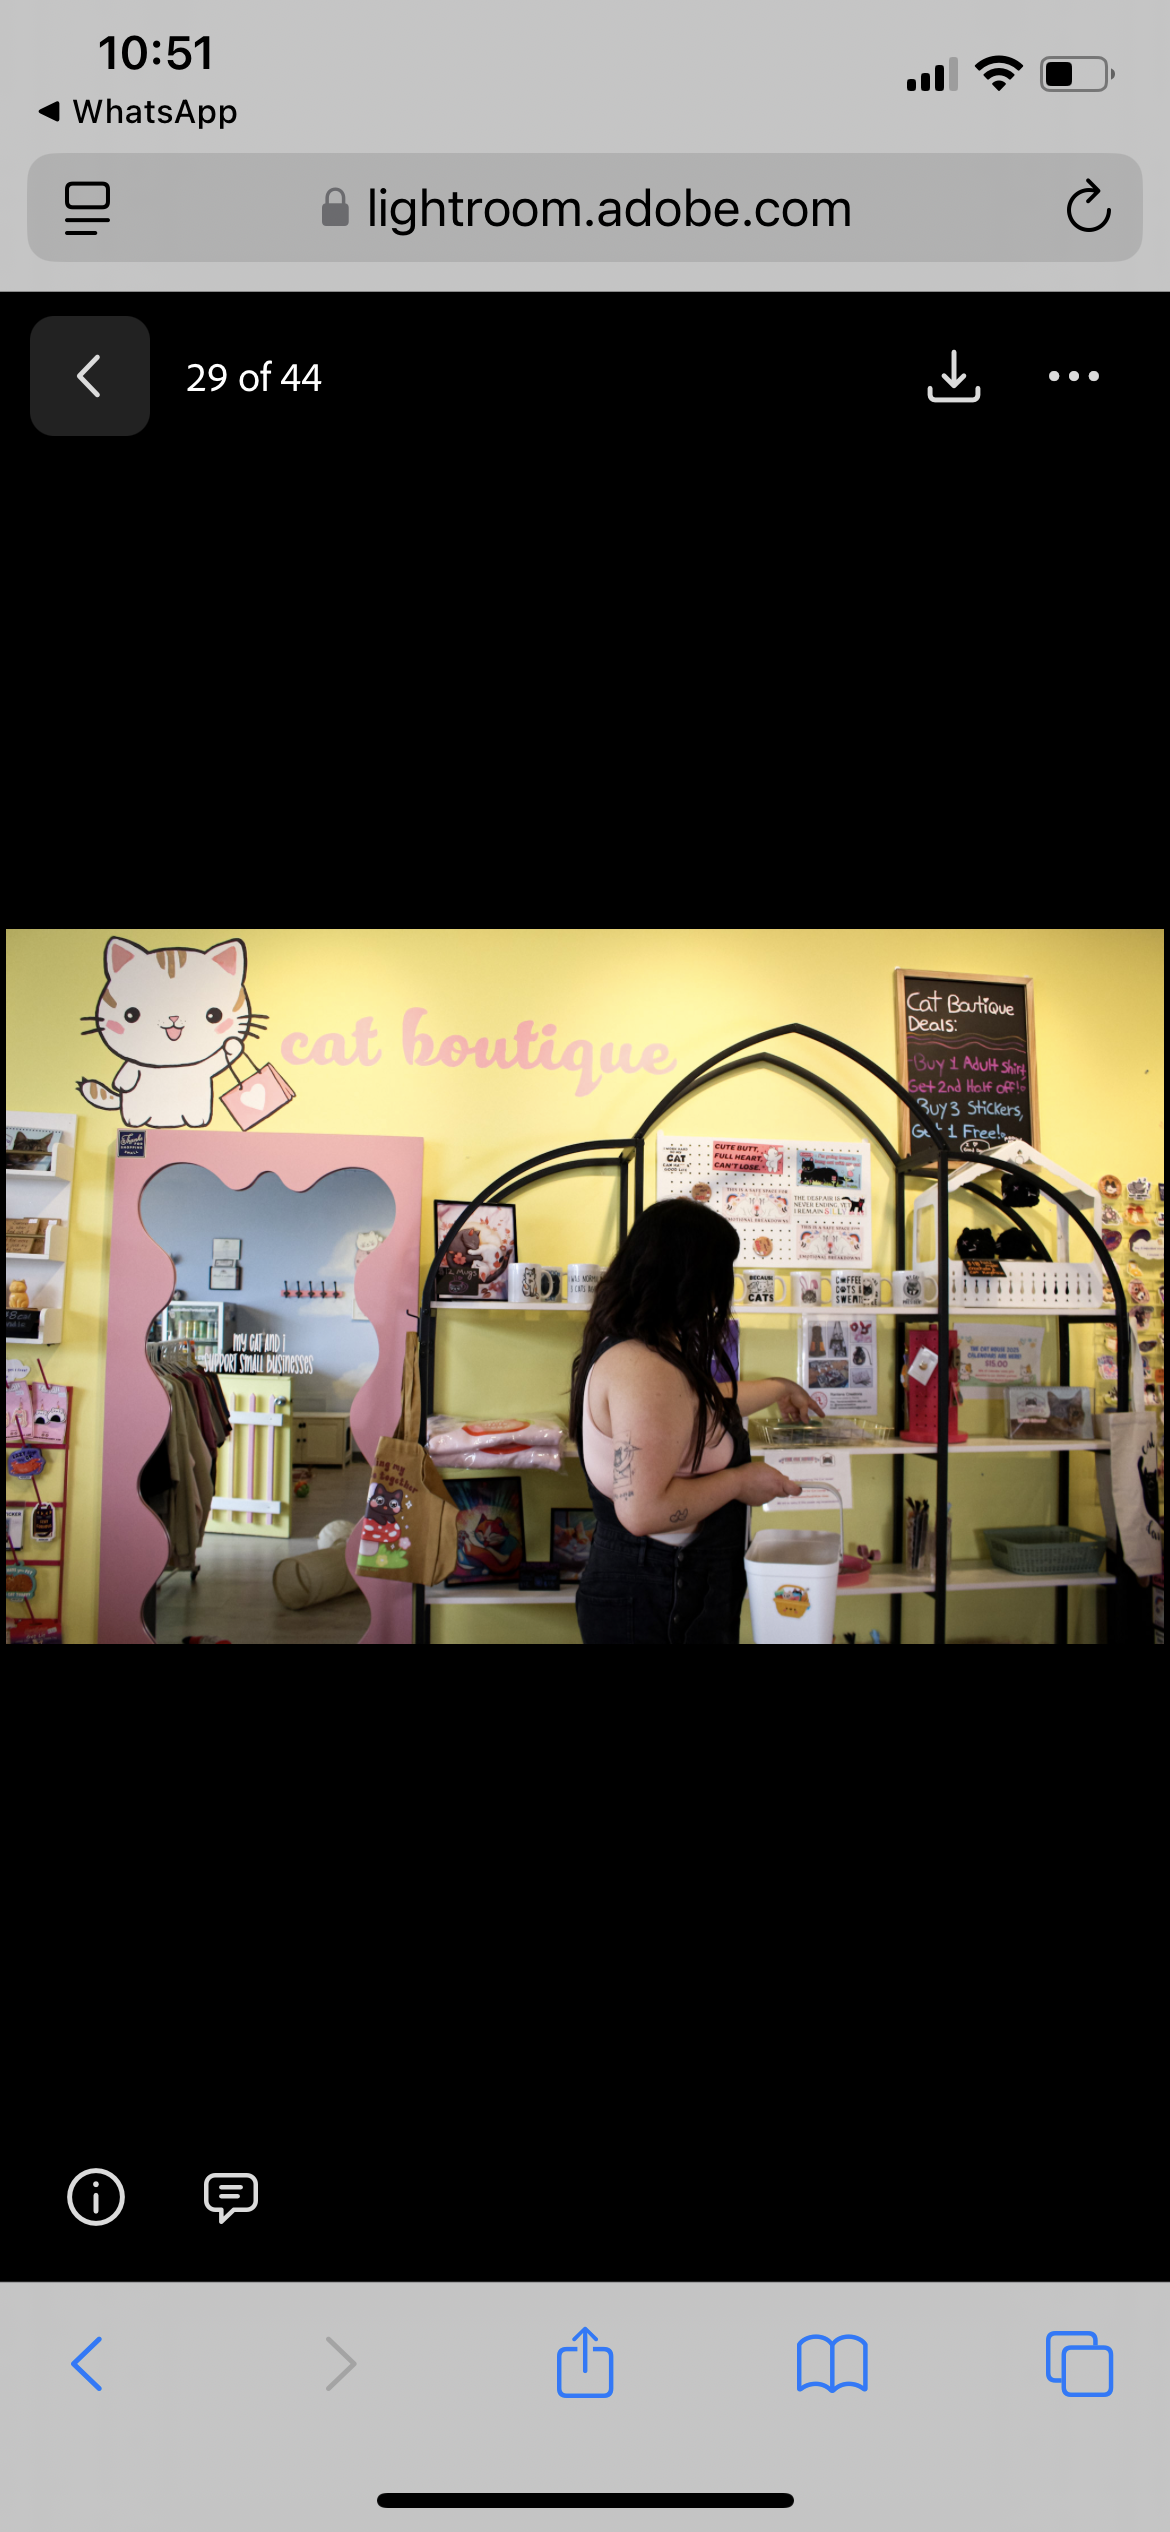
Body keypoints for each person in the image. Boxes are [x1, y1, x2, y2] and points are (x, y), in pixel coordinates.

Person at [567, 1198, 823, 1646]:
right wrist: (740, 1482)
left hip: (671, 1588)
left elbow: (695, 1404)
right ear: (692, 1277)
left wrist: (781, 1387)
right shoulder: (645, 1367)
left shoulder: (639, 1349)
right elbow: (644, 1512)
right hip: (661, 1596)